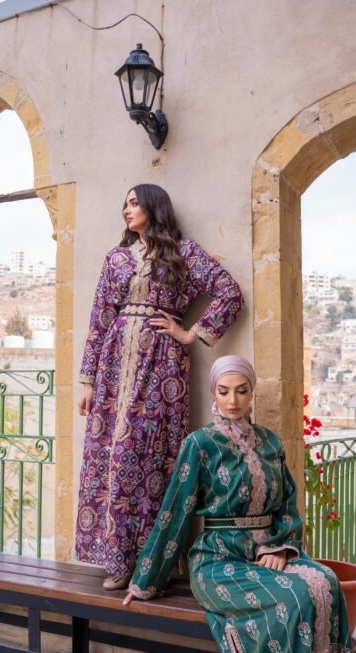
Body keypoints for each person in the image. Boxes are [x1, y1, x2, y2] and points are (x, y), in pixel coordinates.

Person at [124, 355, 356, 653]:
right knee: (291, 598)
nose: (233, 400)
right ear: (214, 392)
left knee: (327, 583)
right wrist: (145, 580)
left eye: (242, 390)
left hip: (268, 551)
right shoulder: (200, 444)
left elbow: (288, 505)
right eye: (224, 391)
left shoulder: (271, 443)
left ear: (252, 392)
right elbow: (175, 512)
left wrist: (282, 548)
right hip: (218, 560)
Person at [76, 185, 244, 590]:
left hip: (161, 367)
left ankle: (151, 564)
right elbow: (100, 318)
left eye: (134, 203)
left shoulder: (183, 254)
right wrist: (87, 381)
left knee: (148, 458)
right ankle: (116, 560)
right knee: (109, 457)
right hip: (113, 368)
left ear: (154, 207)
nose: (126, 209)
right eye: (124, 203)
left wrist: (190, 334)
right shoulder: (116, 258)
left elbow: (230, 293)